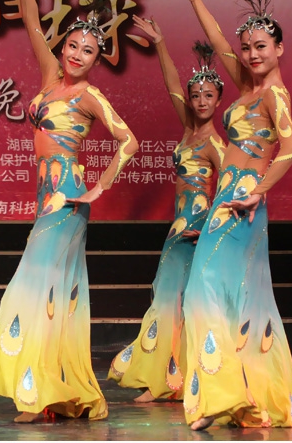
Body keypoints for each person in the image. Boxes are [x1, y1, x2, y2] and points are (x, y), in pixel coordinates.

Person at [0, 0, 139, 423]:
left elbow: (129, 141)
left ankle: (39, 391)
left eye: (88, 51)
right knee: (51, 295)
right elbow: (33, 22)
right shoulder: (51, 76)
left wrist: (98, 187)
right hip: (46, 196)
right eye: (73, 45)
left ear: (97, 59)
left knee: (31, 290)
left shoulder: (89, 95)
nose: (77, 54)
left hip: (66, 200)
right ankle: (53, 390)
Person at [157, 0, 292, 429]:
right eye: (247, 48)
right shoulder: (247, 89)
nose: (251, 53)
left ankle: (225, 393)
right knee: (227, 295)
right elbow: (219, 39)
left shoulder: (275, 95)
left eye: (261, 46)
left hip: (243, 201)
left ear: (279, 49)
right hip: (227, 198)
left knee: (206, 290)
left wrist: (256, 194)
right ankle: (234, 393)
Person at [109, 20, 225, 403]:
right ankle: (173, 378)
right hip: (178, 227)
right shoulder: (189, 130)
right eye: (196, 95)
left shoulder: (215, 144)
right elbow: (172, 85)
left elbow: (230, 189)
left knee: (173, 301)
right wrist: (160, 43)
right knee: (169, 298)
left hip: (195, 230)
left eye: (208, 95)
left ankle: (162, 380)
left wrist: (209, 230)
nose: (201, 101)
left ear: (219, 100)